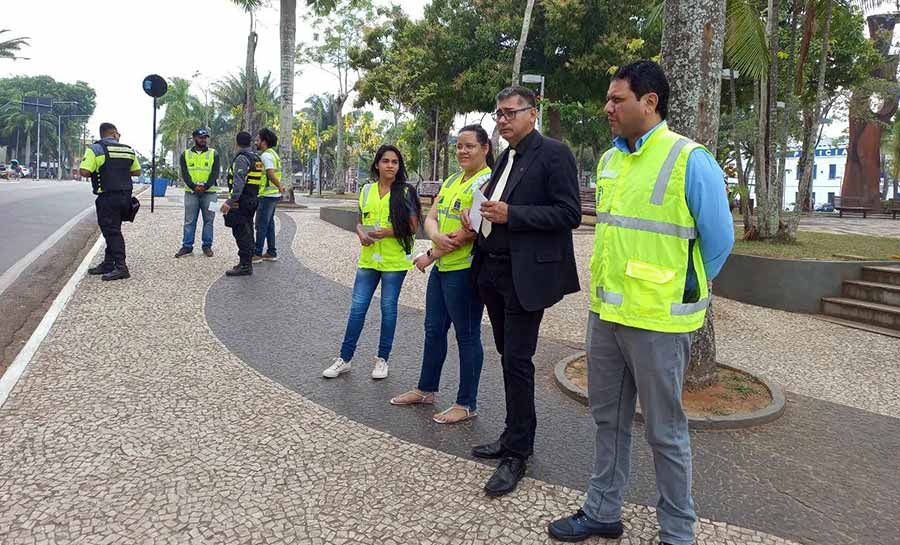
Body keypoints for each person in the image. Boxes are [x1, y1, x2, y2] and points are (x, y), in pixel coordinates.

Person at [546, 61, 735, 545]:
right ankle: (602, 511)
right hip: (607, 316)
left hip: (658, 324)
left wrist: (682, 291)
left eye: (617, 99)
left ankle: (677, 532)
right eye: (609, 99)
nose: (607, 107)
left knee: (665, 432)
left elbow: (717, 243)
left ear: (649, 102)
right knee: (607, 421)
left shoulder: (690, 159)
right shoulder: (610, 162)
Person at [461, 86, 581, 497]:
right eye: (499, 114)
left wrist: (513, 214)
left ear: (534, 113)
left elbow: (569, 213)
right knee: (508, 358)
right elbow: (495, 205)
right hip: (493, 273)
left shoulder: (554, 153)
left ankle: (518, 451)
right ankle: (512, 434)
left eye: (511, 113)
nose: (503, 120)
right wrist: (477, 213)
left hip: (525, 276)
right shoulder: (506, 158)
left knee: (517, 361)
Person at [389, 125, 493, 424]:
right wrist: (435, 239)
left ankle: (466, 402)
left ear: (485, 148)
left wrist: (432, 253)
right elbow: (431, 217)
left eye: (469, 146)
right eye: (459, 146)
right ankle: (426, 388)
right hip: (443, 268)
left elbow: (471, 230)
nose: (462, 151)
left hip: (464, 269)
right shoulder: (451, 179)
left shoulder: (488, 183)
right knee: (434, 329)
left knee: (467, 334)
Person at [322, 145, 421, 380]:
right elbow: (360, 219)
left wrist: (385, 233)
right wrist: (360, 233)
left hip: (394, 261)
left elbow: (413, 226)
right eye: (385, 161)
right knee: (357, 308)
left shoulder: (406, 192)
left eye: (395, 162)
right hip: (368, 259)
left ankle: (382, 359)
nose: (390, 165)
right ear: (377, 164)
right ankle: (344, 359)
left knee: (388, 308)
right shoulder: (366, 190)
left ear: (399, 166)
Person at [79, 122, 142, 281]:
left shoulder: (96, 149)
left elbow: (85, 171)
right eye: (118, 133)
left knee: (112, 232)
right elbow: (136, 171)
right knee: (112, 230)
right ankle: (108, 264)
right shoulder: (128, 149)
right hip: (126, 198)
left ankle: (121, 267)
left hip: (108, 198)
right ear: (113, 134)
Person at [221, 131, 263, 277]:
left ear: (237, 142)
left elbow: (238, 184)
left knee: (241, 231)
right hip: (252, 198)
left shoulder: (242, 159)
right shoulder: (256, 158)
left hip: (242, 201)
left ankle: (245, 265)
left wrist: (230, 201)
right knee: (248, 230)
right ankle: (246, 262)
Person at [175, 128, 220, 258]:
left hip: (210, 193)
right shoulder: (185, 154)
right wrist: (194, 186)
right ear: (194, 138)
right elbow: (185, 173)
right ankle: (187, 246)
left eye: (205, 137)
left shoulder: (214, 154)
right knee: (189, 221)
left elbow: (214, 173)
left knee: (209, 220)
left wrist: (205, 186)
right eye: (201, 137)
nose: (203, 140)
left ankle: (207, 246)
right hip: (191, 193)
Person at [253, 127, 284, 263]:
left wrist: (279, 186)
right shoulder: (274, 154)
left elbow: (270, 174)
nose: (255, 142)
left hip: (266, 195)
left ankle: (257, 253)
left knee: (261, 224)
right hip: (272, 194)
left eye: (258, 140)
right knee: (269, 224)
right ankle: (271, 252)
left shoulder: (266, 156)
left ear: (264, 142)